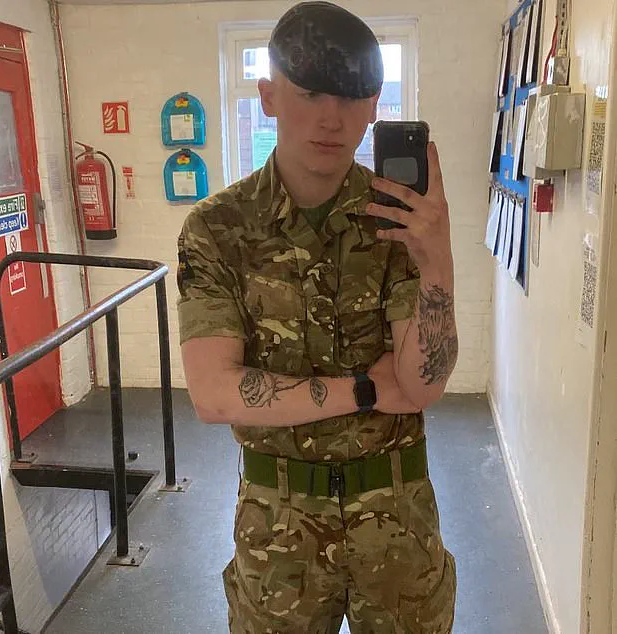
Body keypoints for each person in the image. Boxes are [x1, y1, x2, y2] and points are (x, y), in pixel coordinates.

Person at [177, 2, 458, 632]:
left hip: (396, 521)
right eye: (310, 93)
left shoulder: (399, 221)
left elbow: (423, 385)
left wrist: (437, 265)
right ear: (269, 96)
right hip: (277, 527)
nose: (332, 118)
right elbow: (214, 394)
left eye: (353, 97)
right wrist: (364, 390)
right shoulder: (218, 230)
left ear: (374, 105)